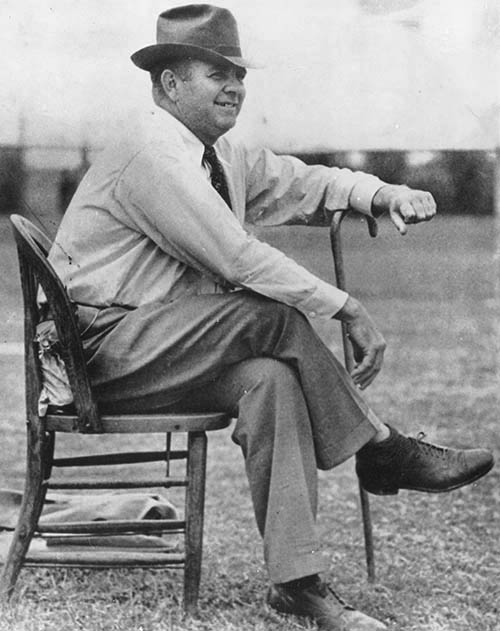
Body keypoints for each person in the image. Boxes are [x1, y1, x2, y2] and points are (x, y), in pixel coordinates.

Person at [45, 5, 494, 630]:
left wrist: (379, 192)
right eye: (217, 73)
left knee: (272, 380)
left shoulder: (214, 154)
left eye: (239, 73)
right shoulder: (151, 153)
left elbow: (295, 181)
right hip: (98, 354)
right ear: (170, 83)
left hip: (158, 346)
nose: (235, 86)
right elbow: (236, 257)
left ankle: (296, 582)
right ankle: (382, 449)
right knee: (269, 316)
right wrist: (346, 307)